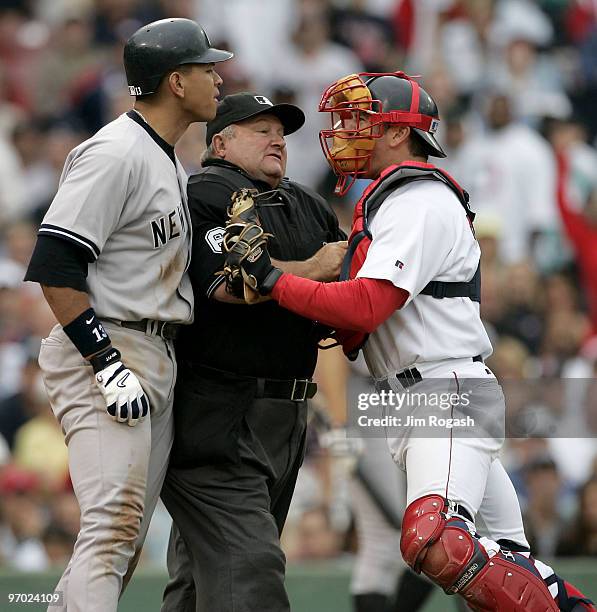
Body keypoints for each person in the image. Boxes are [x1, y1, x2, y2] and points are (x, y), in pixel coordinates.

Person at [222, 71, 596, 612]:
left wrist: (274, 280)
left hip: (443, 394)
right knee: (497, 570)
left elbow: (368, 304)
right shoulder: (392, 199)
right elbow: (356, 326)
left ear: (399, 132)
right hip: (419, 395)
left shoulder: (417, 197)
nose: (345, 131)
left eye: (360, 119)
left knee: (433, 540)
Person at [23, 18, 232, 612]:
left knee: (123, 538)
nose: (216, 76)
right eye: (205, 67)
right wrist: (106, 364)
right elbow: (55, 265)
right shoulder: (115, 152)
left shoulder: (163, 155)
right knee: (112, 530)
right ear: (175, 80)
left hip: (152, 347)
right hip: (107, 346)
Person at [159, 92, 347, 612]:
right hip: (221, 410)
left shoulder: (306, 202)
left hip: (287, 413)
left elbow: (349, 278)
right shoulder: (205, 193)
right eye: (260, 129)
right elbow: (230, 283)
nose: (277, 140)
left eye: (281, 132)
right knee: (251, 571)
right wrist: (316, 268)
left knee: (202, 578)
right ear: (220, 141)